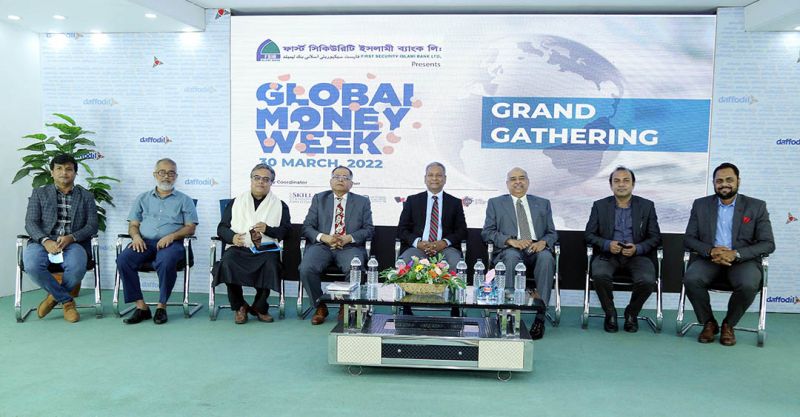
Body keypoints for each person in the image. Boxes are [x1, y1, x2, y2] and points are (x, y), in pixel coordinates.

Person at [683, 162, 774, 346]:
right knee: (691, 279)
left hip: (742, 260)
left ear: (738, 181)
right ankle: (709, 323)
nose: (724, 184)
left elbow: (768, 243)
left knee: (748, 284)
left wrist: (735, 253)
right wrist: (711, 251)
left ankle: (728, 325)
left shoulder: (756, 206)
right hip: (710, 258)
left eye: (729, 180)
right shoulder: (700, 205)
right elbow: (689, 239)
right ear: (713, 183)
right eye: (719, 181)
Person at [116, 158, 199, 325]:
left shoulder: (185, 200)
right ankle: (141, 307)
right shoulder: (142, 198)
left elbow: (191, 228)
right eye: (162, 172)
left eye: (171, 173)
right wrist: (136, 237)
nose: (166, 176)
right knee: (123, 259)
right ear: (155, 174)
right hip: (144, 242)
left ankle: (162, 306)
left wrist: (172, 236)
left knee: (166, 260)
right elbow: (133, 225)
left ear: (176, 176)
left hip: (172, 244)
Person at [481, 167, 557, 340]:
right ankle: (508, 314)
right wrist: (510, 241)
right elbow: (487, 232)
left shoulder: (543, 203)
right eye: (513, 179)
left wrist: (544, 242)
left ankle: (540, 315)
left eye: (522, 178)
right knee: (511, 257)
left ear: (528, 182)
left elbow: (552, 233)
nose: (518, 182)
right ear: (507, 184)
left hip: (536, 248)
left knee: (546, 257)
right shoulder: (495, 203)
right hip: (511, 249)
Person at [584, 167, 662, 333]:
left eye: (626, 180)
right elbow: (589, 235)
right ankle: (610, 313)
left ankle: (631, 313)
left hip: (637, 255)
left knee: (647, 281)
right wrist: (607, 244)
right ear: (611, 185)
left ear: (633, 184)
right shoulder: (599, 206)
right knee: (599, 275)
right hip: (608, 255)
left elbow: (655, 237)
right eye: (616, 181)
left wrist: (637, 248)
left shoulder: (647, 206)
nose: (621, 184)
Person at [23, 154, 98, 323]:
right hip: (42, 242)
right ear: (52, 172)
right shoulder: (39, 193)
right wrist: (45, 240)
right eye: (59, 169)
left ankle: (53, 298)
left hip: (73, 243)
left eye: (69, 169)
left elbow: (92, 225)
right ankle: (67, 302)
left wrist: (71, 237)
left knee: (77, 267)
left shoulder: (86, 196)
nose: (64, 173)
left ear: (75, 173)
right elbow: (31, 222)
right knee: (32, 265)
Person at [212, 163, 291, 324]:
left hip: (265, 249)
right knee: (227, 262)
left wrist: (268, 229)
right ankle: (239, 306)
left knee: (270, 263)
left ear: (271, 182)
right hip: (239, 246)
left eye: (266, 179)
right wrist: (233, 237)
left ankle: (260, 307)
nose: (261, 182)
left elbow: (285, 232)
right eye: (257, 178)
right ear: (251, 179)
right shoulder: (235, 202)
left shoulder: (280, 205)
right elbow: (222, 228)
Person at [299, 166, 374, 325]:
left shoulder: (362, 202)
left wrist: (348, 238)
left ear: (351, 184)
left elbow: (369, 230)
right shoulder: (319, 199)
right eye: (337, 176)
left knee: (355, 269)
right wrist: (324, 237)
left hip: (349, 247)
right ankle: (320, 306)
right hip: (322, 245)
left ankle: (345, 306)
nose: (341, 180)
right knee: (306, 268)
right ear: (330, 181)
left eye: (345, 178)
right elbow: (307, 227)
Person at [397, 162, 467, 315]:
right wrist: (418, 243)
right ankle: (406, 308)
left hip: (445, 249)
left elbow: (462, 231)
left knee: (456, 263)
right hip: (418, 248)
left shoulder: (454, 202)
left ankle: (455, 308)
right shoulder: (413, 200)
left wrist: (444, 242)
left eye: (439, 175)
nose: (434, 178)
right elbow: (402, 229)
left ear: (445, 179)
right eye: (431, 175)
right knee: (406, 261)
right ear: (425, 178)